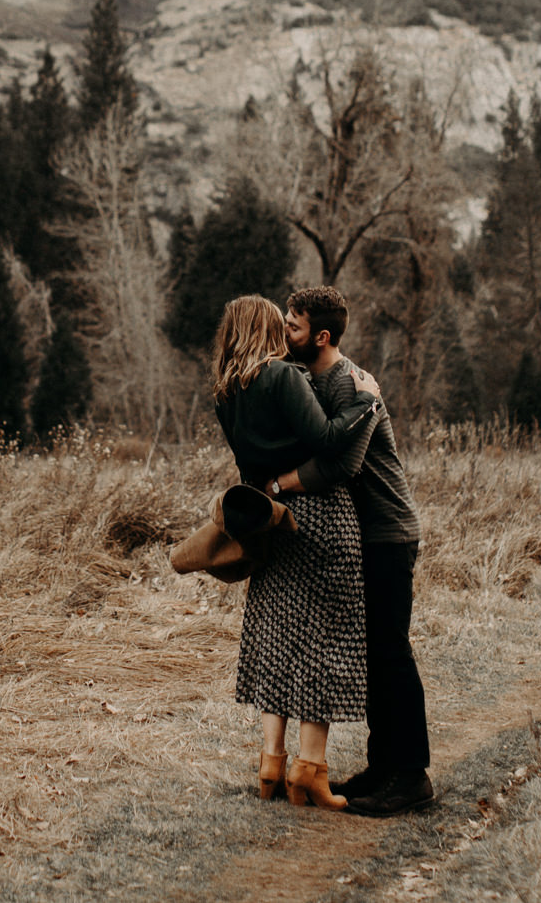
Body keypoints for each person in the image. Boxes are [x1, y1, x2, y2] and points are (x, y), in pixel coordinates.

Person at [267, 285, 433, 817]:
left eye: (291, 327)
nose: (283, 333)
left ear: (320, 335)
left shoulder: (352, 384)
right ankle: (382, 768)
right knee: (373, 655)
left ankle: (411, 776)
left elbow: (343, 467)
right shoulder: (307, 379)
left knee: (390, 652)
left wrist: (281, 484)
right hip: (359, 537)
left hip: (387, 532)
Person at [207, 294, 375, 811]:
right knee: (328, 640)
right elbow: (327, 441)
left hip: (269, 521)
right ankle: (310, 769)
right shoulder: (283, 377)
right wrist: (364, 402)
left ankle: (270, 763)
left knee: (277, 637)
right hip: (319, 516)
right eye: (277, 321)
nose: (286, 328)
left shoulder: (226, 391)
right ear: (264, 328)